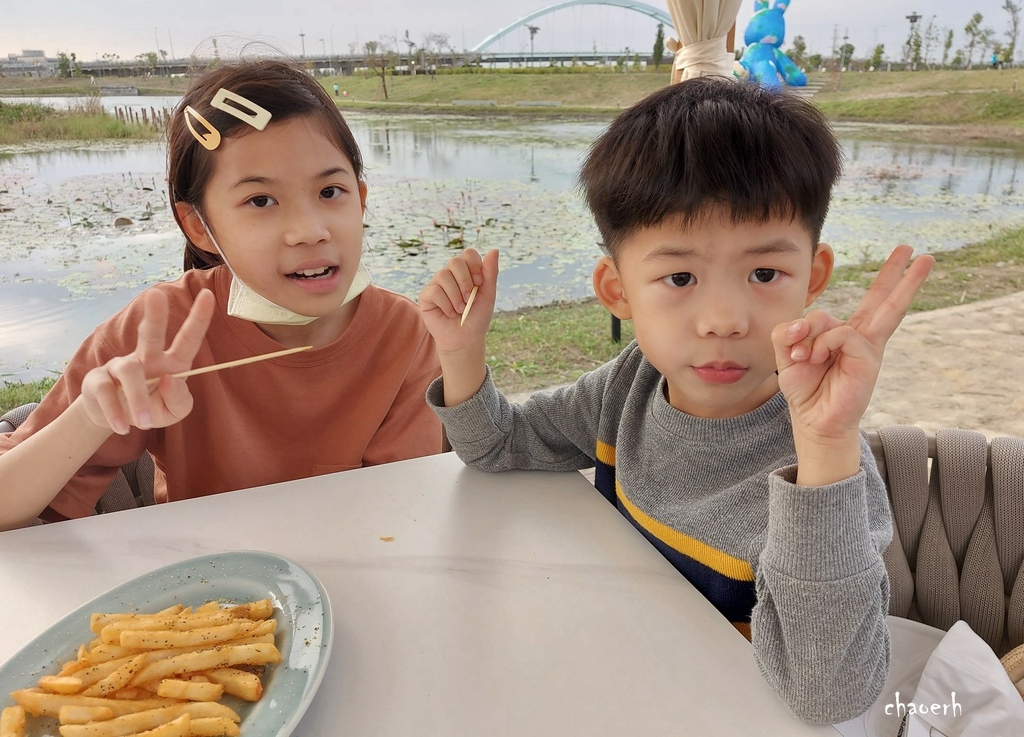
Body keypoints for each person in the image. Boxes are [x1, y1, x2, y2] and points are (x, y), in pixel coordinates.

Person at [418, 76, 935, 724]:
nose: (722, 318)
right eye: (680, 277)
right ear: (618, 291)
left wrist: (828, 445)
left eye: (765, 273)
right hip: (613, 681)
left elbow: (826, 693)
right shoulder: (628, 386)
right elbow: (499, 445)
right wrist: (461, 353)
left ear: (814, 275)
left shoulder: (829, 471)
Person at [0, 59, 443, 531]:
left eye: (331, 191)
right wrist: (93, 416)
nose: (310, 231)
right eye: (260, 201)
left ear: (361, 198)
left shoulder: (405, 334)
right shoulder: (158, 332)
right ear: (200, 227)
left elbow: (403, 513)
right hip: (198, 591)